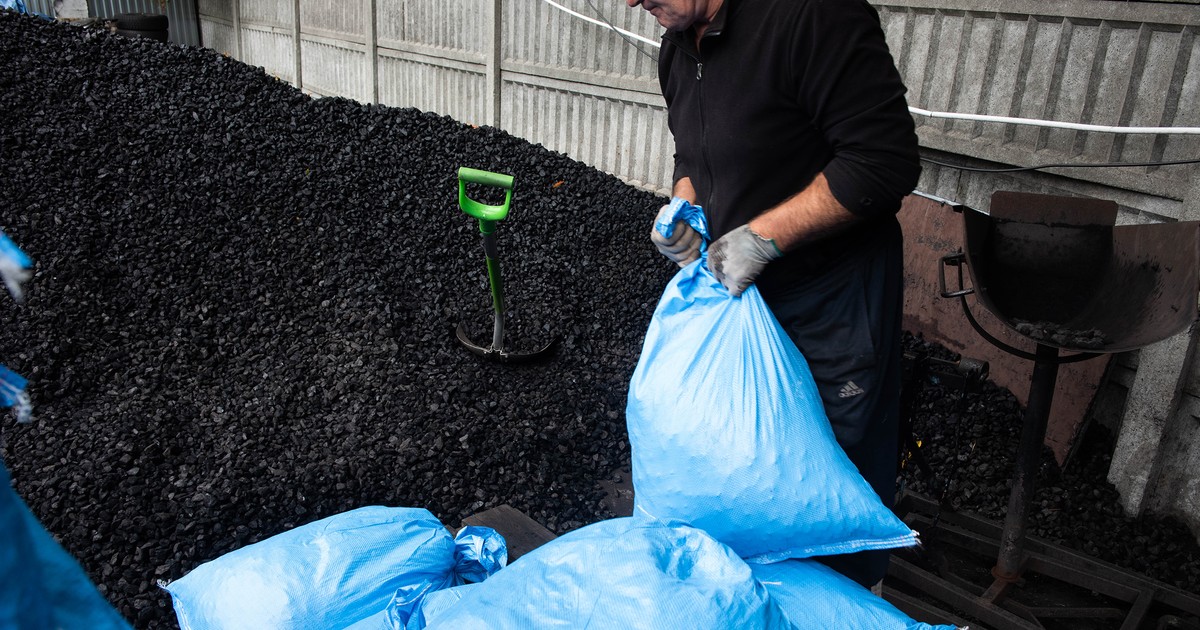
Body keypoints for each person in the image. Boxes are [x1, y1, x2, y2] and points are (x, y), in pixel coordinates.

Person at [627, 0, 921, 589]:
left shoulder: (812, 16)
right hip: (741, 303)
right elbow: (696, 152)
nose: (633, 2)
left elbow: (883, 162)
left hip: (830, 307)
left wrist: (762, 239)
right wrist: (686, 205)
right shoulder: (679, 45)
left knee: (826, 480)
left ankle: (840, 604)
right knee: (737, 466)